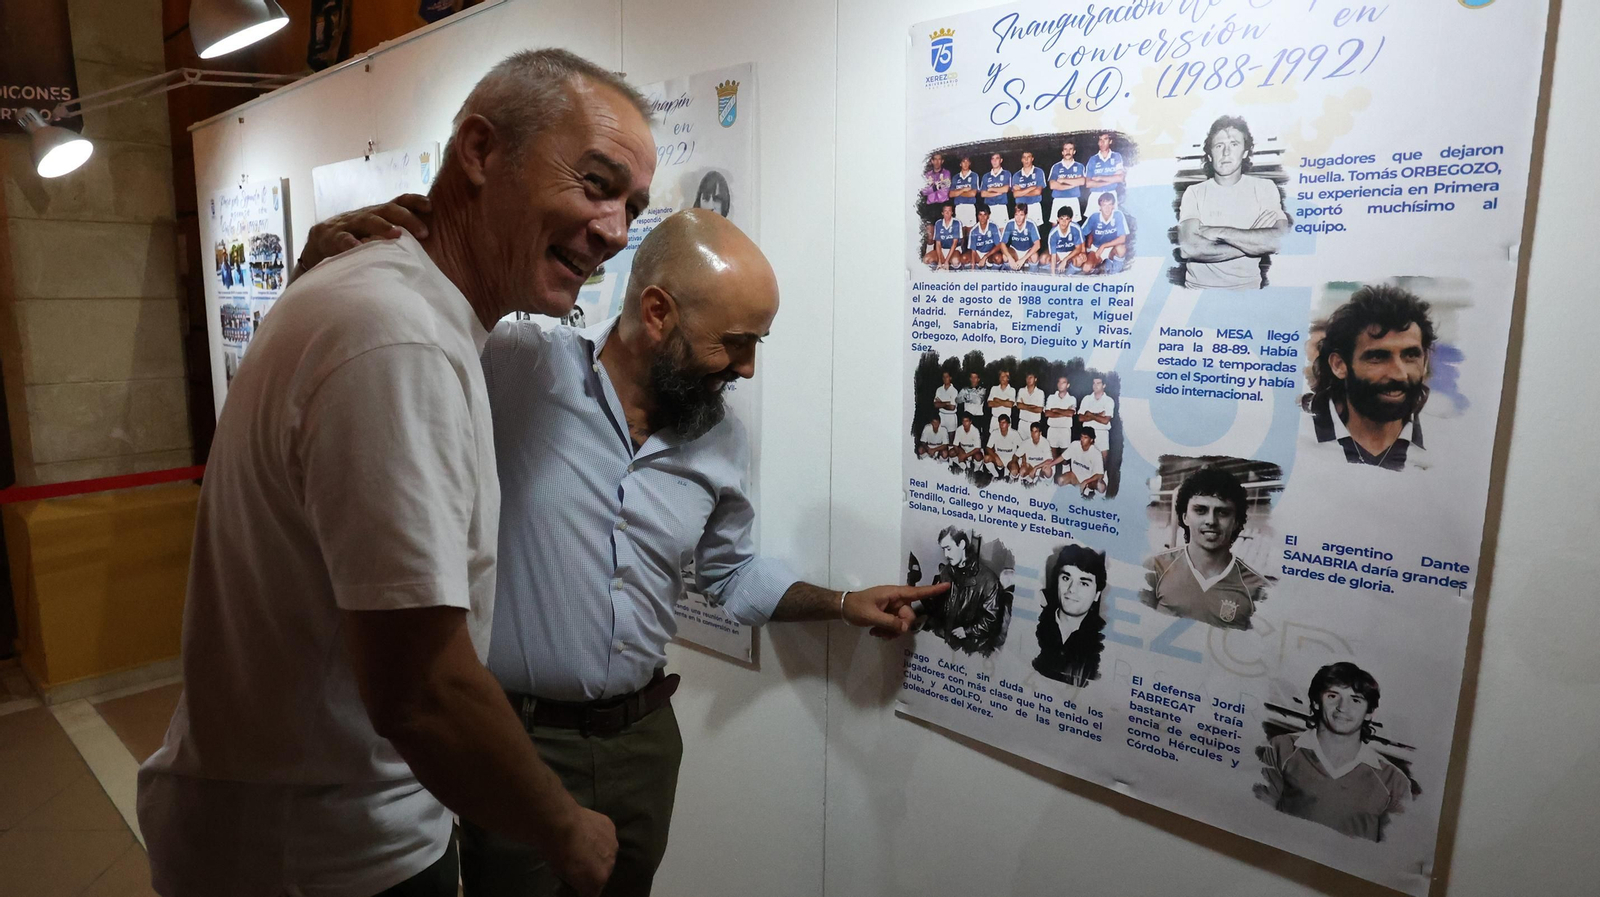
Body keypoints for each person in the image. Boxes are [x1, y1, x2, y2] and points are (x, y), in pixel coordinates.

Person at [301, 206, 946, 897]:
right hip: (517, 742)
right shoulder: (517, 367)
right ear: (659, 312)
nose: (751, 368)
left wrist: (845, 603)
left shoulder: (719, 438)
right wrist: (322, 271)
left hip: (645, 742)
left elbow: (730, 571)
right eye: (735, 342)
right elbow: (384, 340)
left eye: (759, 342)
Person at [137, 49, 655, 897]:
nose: (615, 228)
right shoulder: (397, 336)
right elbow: (420, 687)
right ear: (480, 152)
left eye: (632, 205)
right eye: (595, 182)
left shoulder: (393, 307)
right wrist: (566, 826)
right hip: (324, 857)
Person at [1255, 662, 1412, 841]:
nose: (1343, 707)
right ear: (1315, 702)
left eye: (1356, 700)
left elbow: (1391, 853)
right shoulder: (1281, 748)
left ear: (1369, 713)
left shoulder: (1395, 782)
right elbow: (1260, 822)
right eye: (1332, 695)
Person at [1305, 284, 1436, 472]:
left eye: (1410, 356)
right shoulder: (1297, 440)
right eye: (1377, 357)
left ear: (1425, 361)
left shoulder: (1448, 445)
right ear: (1339, 365)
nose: (1399, 374)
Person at [1139, 466, 1267, 630]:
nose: (1211, 521)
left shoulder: (1257, 590)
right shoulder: (1154, 568)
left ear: (1235, 521)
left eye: (1222, 512)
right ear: (1185, 517)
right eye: (1200, 510)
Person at [1177, 115, 1289, 290]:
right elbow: (1189, 248)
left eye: (1234, 144)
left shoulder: (1264, 188)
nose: (1226, 153)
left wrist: (1217, 232)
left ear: (1245, 152)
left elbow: (1279, 240)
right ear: (1209, 154)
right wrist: (1254, 243)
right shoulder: (1194, 192)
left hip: (1247, 292)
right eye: (1219, 145)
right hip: (1198, 292)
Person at [919, 527, 1012, 657]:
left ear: (962, 544)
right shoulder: (946, 572)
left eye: (949, 548)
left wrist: (967, 631)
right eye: (943, 549)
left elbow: (992, 620)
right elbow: (938, 609)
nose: (945, 555)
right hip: (945, 644)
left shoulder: (989, 581)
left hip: (971, 649)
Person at [1032, 544, 1107, 687]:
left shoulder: (1102, 639)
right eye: (1066, 578)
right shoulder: (1034, 624)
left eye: (1084, 583)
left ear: (1097, 594)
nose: (1072, 589)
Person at [1080, 193, 1129, 274]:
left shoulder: (1118, 215)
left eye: (1110, 205)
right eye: (1104, 205)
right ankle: (1103, 265)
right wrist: (1084, 250)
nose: (1107, 208)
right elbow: (1080, 234)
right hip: (1096, 248)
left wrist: (1103, 246)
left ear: (1113, 206)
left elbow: (1122, 238)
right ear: (1100, 207)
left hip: (1111, 248)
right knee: (1086, 268)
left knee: (1121, 248)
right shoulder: (1094, 217)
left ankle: (1115, 270)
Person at [1076, 376, 1115, 464]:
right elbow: (1081, 418)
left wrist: (1090, 414)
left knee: (1102, 461)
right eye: (1094, 383)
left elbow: (1105, 421)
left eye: (1098, 383)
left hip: (1102, 433)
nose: (1095, 385)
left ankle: (1102, 477)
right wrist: (1099, 415)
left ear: (1104, 385)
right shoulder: (1086, 399)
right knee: (1086, 461)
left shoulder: (1109, 400)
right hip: (1087, 434)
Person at [1058, 429, 1105, 497]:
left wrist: (1086, 481)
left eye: (1085, 437)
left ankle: (1091, 492)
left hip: (1090, 480)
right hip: (1076, 477)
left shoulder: (1096, 453)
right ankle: (1075, 491)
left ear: (1091, 440)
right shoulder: (1075, 444)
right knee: (1060, 480)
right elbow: (1062, 457)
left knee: (1101, 487)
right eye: (1081, 437)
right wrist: (1050, 464)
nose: (1082, 439)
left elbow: (1100, 474)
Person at [1048, 140, 1086, 224]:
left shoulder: (1080, 166)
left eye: (1070, 149)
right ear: (1062, 152)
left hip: (1073, 200)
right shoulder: (1056, 166)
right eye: (1065, 149)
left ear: (1074, 151)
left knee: (1074, 227)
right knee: (1055, 227)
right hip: (1058, 200)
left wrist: (1063, 180)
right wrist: (1074, 183)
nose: (1068, 152)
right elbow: (1052, 185)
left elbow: (1082, 181)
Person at [1084, 132, 1126, 200]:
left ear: (1110, 141)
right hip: (1095, 195)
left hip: (1111, 194)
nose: (1102, 142)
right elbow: (1088, 184)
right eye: (1100, 140)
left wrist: (1100, 178)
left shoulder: (1116, 156)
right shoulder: (1093, 159)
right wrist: (1111, 180)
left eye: (1105, 139)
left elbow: (1120, 178)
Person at [1000, 205, 1041, 271]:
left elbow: (1037, 245)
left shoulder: (1031, 224)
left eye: (1021, 215)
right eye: (1016, 215)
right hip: (1015, 250)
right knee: (1005, 256)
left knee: (1034, 257)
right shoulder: (1010, 224)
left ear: (1026, 215)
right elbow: (1002, 243)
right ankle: (1008, 274)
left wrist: (1023, 259)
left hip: (1027, 251)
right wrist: (1010, 258)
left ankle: (1033, 276)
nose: (1018, 218)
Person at [1044, 376, 1076, 459]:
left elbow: (1070, 414)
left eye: (1063, 382)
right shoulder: (1051, 397)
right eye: (1059, 382)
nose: (1060, 384)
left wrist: (1055, 410)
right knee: (1051, 456)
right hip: (1052, 430)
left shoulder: (1072, 399)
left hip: (1065, 431)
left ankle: (1065, 470)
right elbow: (1047, 413)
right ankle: (1053, 471)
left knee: (1065, 458)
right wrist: (1065, 412)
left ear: (1068, 385)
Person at [1011, 150, 1046, 227]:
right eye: (1024, 157)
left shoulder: (1039, 172)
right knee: (1022, 234)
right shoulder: (1016, 175)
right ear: (1021, 159)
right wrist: (1030, 188)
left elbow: (1038, 192)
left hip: (1034, 206)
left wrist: (1021, 191)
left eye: (1028, 157)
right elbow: (1015, 194)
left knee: (1036, 234)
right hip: (1021, 208)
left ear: (1032, 158)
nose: (1026, 160)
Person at [982, 414, 1023, 480]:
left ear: (1008, 424)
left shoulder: (1014, 433)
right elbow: (988, 447)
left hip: (1010, 459)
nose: (1001, 425)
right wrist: (996, 456)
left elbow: (1022, 448)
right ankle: (996, 475)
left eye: (1004, 423)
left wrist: (1015, 460)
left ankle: (1010, 477)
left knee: (1014, 470)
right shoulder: (995, 432)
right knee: (986, 458)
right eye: (1000, 423)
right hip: (999, 458)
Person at [1047, 209, 1086, 276]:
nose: (1064, 222)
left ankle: (1068, 275)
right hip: (1058, 253)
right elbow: (1053, 256)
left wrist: (1065, 260)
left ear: (1070, 220)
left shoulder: (1075, 228)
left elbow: (1078, 248)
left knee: (1079, 259)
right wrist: (1052, 276)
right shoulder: (1053, 233)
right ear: (1058, 220)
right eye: (1061, 219)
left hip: (1071, 252)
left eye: (1067, 219)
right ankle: (1057, 272)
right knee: (1044, 259)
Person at [924, 204, 963, 270]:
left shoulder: (956, 223)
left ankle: (949, 266)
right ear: (942, 213)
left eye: (949, 211)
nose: (947, 213)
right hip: (942, 249)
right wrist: (939, 260)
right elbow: (938, 243)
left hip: (954, 250)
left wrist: (947, 261)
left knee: (955, 261)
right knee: (926, 259)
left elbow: (954, 243)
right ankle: (940, 264)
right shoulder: (938, 223)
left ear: (952, 212)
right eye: (945, 211)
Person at [950, 156, 979, 235]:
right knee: (960, 234)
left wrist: (958, 192)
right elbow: (951, 194)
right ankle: (961, 248)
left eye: (967, 162)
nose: (965, 164)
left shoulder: (974, 175)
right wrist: (963, 189)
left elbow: (973, 194)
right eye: (963, 162)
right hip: (959, 207)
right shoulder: (955, 177)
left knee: (971, 234)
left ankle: (970, 248)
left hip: (969, 207)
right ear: (960, 164)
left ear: (970, 163)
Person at [980, 152, 1011, 222]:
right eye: (993, 159)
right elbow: (983, 194)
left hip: (1001, 207)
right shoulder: (986, 176)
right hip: (989, 208)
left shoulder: (1006, 173)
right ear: (991, 161)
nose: (994, 161)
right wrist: (998, 193)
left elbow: (1005, 189)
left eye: (997, 158)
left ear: (1001, 160)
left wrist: (991, 189)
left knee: (1002, 231)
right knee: (990, 231)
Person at [958, 371, 988, 442]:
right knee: (966, 437)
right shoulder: (964, 389)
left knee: (978, 438)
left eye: (975, 377)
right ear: (970, 379)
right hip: (967, 417)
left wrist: (966, 397)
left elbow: (979, 401)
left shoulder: (982, 390)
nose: (973, 379)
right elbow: (957, 400)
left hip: (978, 417)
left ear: (978, 379)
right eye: (972, 377)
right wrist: (972, 397)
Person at [987, 368, 1016, 435]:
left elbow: (1010, 405)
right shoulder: (994, 388)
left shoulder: (1012, 390)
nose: (1002, 378)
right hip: (995, 420)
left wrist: (997, 400)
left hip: (1006, 421)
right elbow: (990, 404)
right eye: (1001, 376)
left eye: (1004, 376)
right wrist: (1005, 401)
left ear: (1008, 378)